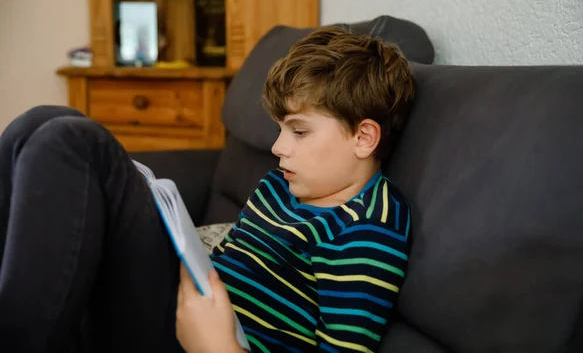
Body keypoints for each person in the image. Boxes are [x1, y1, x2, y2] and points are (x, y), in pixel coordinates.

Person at [0, 25, 414, 353]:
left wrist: (219, 348)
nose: (277, 148)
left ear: (364, 138)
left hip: (199, 342)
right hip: (183, 300)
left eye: (299, 132)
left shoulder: (367, 230)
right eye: (280, 129)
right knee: (39, 123)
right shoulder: (280, 187)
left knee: (75, 143)